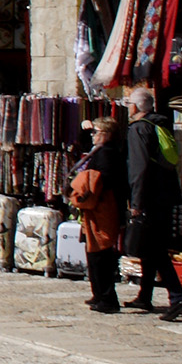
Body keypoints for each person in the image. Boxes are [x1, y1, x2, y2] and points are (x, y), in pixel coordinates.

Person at [125, 86, 182, 321]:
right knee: (150, 249)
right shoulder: (161, 124)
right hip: (166, 196)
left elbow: (139, 168)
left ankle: (177, 297)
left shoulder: (139, 129)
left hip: (149, 197)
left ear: (136, 107)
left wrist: (136, 201)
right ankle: (145, 295)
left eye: (129, 104)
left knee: (155, 249)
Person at [70, 116, 127, 314]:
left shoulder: (108, 153)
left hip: (104, 208)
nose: (92, 135)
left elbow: (100, 181)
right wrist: (84, 130)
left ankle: (108, 299)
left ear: (107, 134)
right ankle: (99, 294)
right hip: (97, 208)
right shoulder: (101, 151)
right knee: (94, 252)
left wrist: (84, 187)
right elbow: (83, 145)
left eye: (96, 132)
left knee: (101, 253)